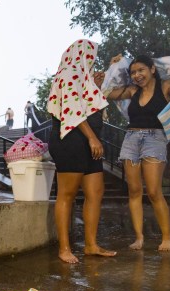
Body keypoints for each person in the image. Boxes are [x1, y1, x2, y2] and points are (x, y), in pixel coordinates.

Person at [106, 52, 170, 251]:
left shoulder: (167, 86)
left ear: (152, 69)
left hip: (155, 139)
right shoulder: (131, 91)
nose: (137, 75)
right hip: (131, 139)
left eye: (141, 70)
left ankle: (166, 238)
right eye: (133, 72)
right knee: (134, 191)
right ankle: (139, 238)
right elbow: (105, 92)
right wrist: (113, 67)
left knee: (154, 191)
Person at [47, 39, 117, 264]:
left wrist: (94, 87)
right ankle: (64, 248)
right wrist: (92, 138)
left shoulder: (82, 77)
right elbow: (72, 109)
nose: (92, 61)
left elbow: (87, 104)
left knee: (95, 192)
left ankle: (91, 245)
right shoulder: (69, 73)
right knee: (67, 195)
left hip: (88, 140)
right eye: (91, 56)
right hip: (71, 139)